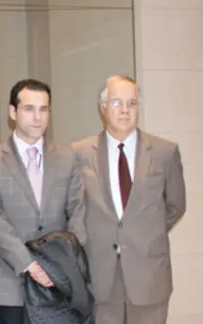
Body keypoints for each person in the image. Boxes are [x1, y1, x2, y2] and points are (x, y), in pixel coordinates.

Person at [72, 75, 186, 324]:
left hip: (149, 274)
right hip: (100, 276)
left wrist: (143, 232)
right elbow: (75, 210)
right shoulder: (79, 153)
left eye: (132, 103)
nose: (125, 110)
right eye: (116, 103)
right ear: (103, 108)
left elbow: (175, 205)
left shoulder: (165, 152)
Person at [0, 79, 85, 324]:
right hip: (13, 285)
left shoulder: (67, 157)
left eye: (44, 109)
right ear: (13, 112)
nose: (38, 117)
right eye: (29, 109)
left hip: (60, 284)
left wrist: (63, 264)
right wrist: (31, 265)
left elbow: (77, 212)